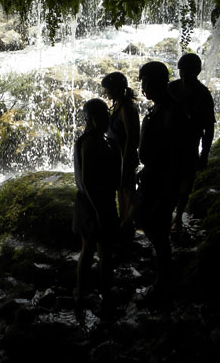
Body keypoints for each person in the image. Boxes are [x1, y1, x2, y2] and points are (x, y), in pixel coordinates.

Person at [131, 61, 190, 307]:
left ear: (156, 82)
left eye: (145, 82)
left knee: (158, 232)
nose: (143, 88)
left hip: (162, 182)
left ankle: (163, 284)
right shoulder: (163, 109)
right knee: (153, 229)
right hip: (154, 178)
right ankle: (163, 278)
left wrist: (166, 194)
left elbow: (175, 159)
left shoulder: (171, 112)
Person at [72, 98, 122, 308]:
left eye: (108, 115)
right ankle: (95, 293)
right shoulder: (91, 143)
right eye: (104, 116)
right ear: (93, 119)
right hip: (95, 203)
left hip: (93, 202)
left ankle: (87, 292)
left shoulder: (96, 140)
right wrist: (101, 211)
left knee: (94, 249)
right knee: (99, 249)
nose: (108, 119)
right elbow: (88, 181)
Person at [168, 53, 216, 233]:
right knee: (172, 182)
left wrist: (204, 154)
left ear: (196, 71)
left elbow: (209, 129)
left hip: (189, 145)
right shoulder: (171, 88)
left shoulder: (202, 94)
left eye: (186, 70)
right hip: (171, 145)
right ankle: (171, 214)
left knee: (185, 184)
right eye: (181, 70)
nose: (183, 73)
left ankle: (178, 216)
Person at [101, 71, 140, 227]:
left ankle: (128, 223)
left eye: (107, 88)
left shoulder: (126, 108)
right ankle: (124, 221)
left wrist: (126, 158)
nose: (105, 92)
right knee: (121, 189)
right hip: (118, 157)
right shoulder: (118, 105)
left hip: (125, 157)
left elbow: (132, 136)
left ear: (116, 88)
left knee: (127, 190)